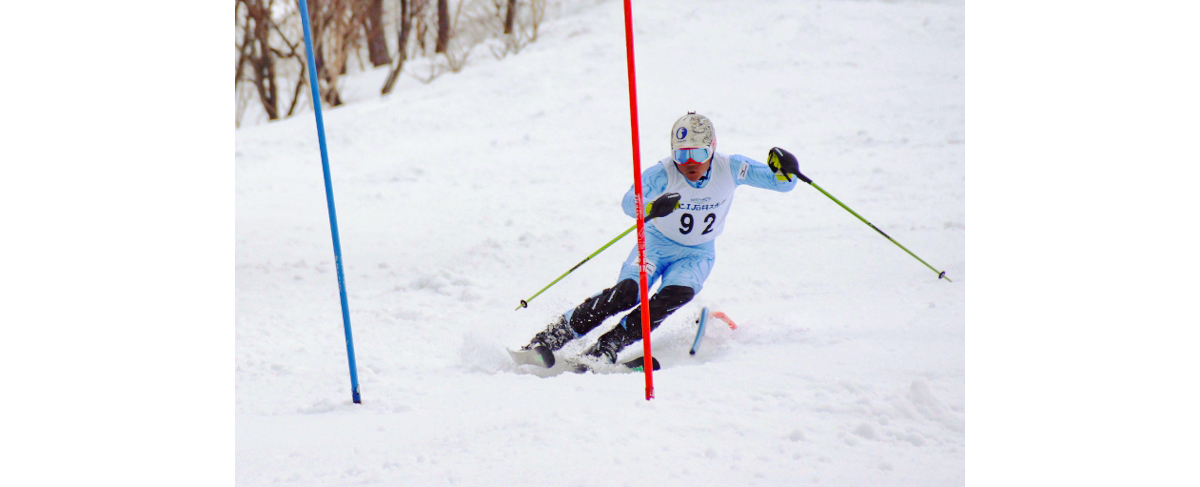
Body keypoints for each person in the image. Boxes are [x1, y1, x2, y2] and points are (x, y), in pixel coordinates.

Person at [515, 112, 804, 368]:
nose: (689, 163)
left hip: (696, 254)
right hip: (655, 245)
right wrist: (651, 207)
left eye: (698, 154)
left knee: (674, 296)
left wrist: (785, 169)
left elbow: (783, 183)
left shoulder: (731, 167)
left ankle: (606, 348)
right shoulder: (662, 173)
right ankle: (549, 339)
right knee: (628, 293)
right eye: (681, 155)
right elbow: (630, 202)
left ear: (712, 149)